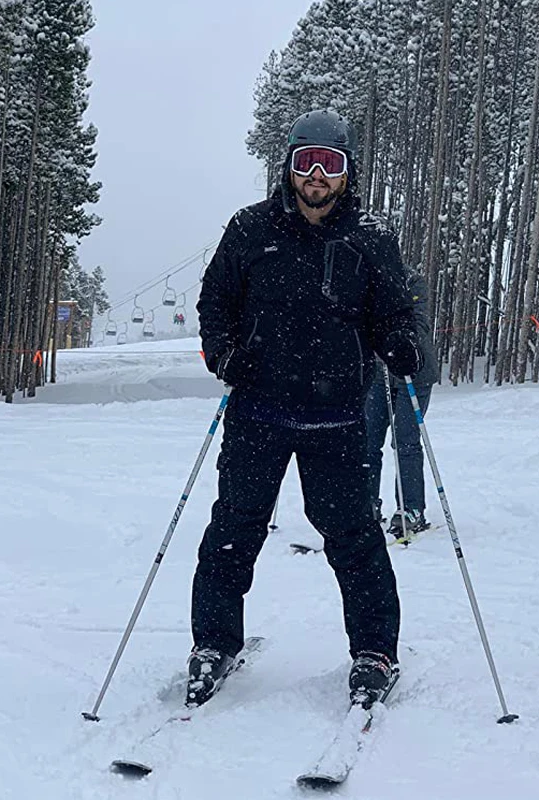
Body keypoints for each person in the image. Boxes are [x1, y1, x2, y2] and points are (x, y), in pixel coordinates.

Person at [189, 110, 424, 710]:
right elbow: (214, 300)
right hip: (259, 413)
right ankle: (214, 645)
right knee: (233, 533)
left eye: (330, 164)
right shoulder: (250, 230)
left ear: (347, 172)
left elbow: (397, 310)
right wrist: (224, 355)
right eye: (305, 163)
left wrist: (400, 341)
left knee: (353, 536)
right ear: (289, 167)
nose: (316, 176)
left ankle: (374, 652)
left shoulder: (370, 239)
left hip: (338, 417)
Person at [365, 266, 438, 538]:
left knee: (404, 441)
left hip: (414, 371)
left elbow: (419, 323)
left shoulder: (411, 280)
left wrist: (399, 342)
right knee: (369, 440)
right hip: (379, 373)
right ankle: (367, 503)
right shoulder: (367, 279)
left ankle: (411, 509)